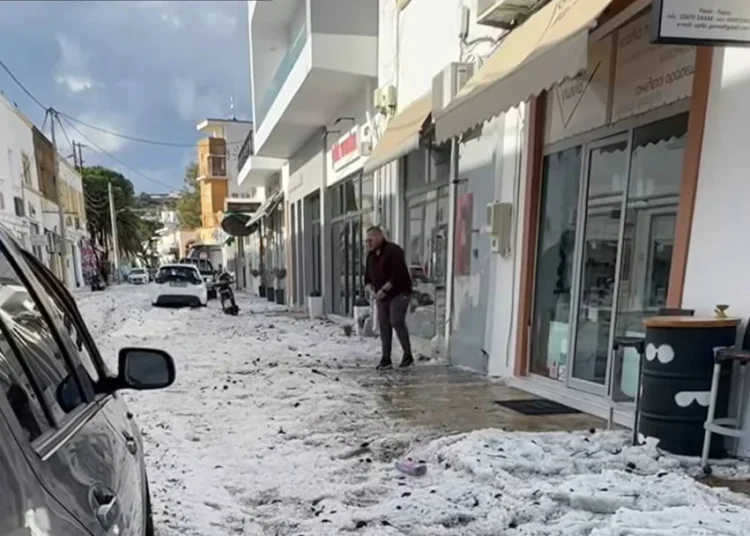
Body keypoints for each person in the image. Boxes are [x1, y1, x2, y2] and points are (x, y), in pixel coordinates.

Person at [364, 226, 414, 370]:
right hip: (381, 296)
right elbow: (367, 278)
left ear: (379, 237)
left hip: (400, 292)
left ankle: (408, 355)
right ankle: (386, 358)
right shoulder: (371, 256)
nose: (368, 243)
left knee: (396, 320)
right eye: (366, 241)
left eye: (370, 240)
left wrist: (384, 289)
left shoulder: (393, 251)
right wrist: (371, 290)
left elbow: (398, 275)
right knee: (384, 325)